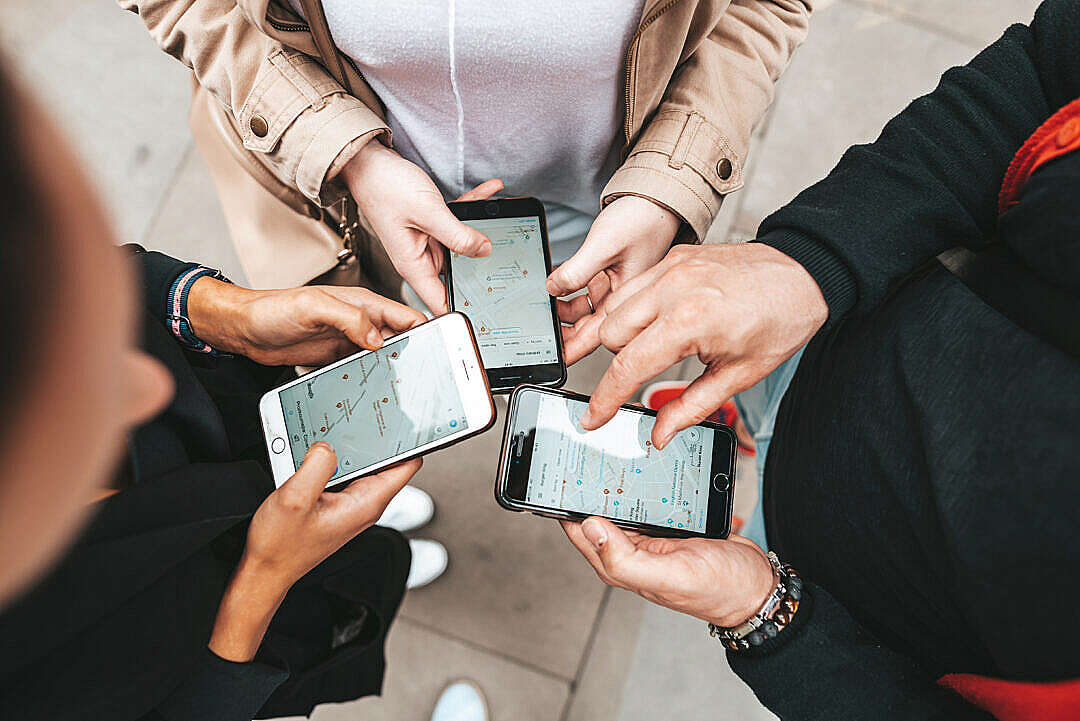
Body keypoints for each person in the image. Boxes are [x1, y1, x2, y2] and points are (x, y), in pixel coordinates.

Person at [559, 0, 1080, 718]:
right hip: (837, 337)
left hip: (858, 606)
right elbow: (1045, 74)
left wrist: (767, 617)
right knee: (732, 397)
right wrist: (808, 265)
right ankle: (751, 416)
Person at [0, 67, 452, 720]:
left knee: (316, 471)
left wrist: (218, 311)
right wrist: (262, 583)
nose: (150, 382)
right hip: (216, 624)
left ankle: (345, 509)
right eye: (35, 405)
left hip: (235, 435)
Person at [120, 0, 812, 326]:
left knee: (526, 348)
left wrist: (669, 183)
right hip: (328, 194)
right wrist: (349, 155)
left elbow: (762, 8)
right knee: (347, 364)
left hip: (599, 198)